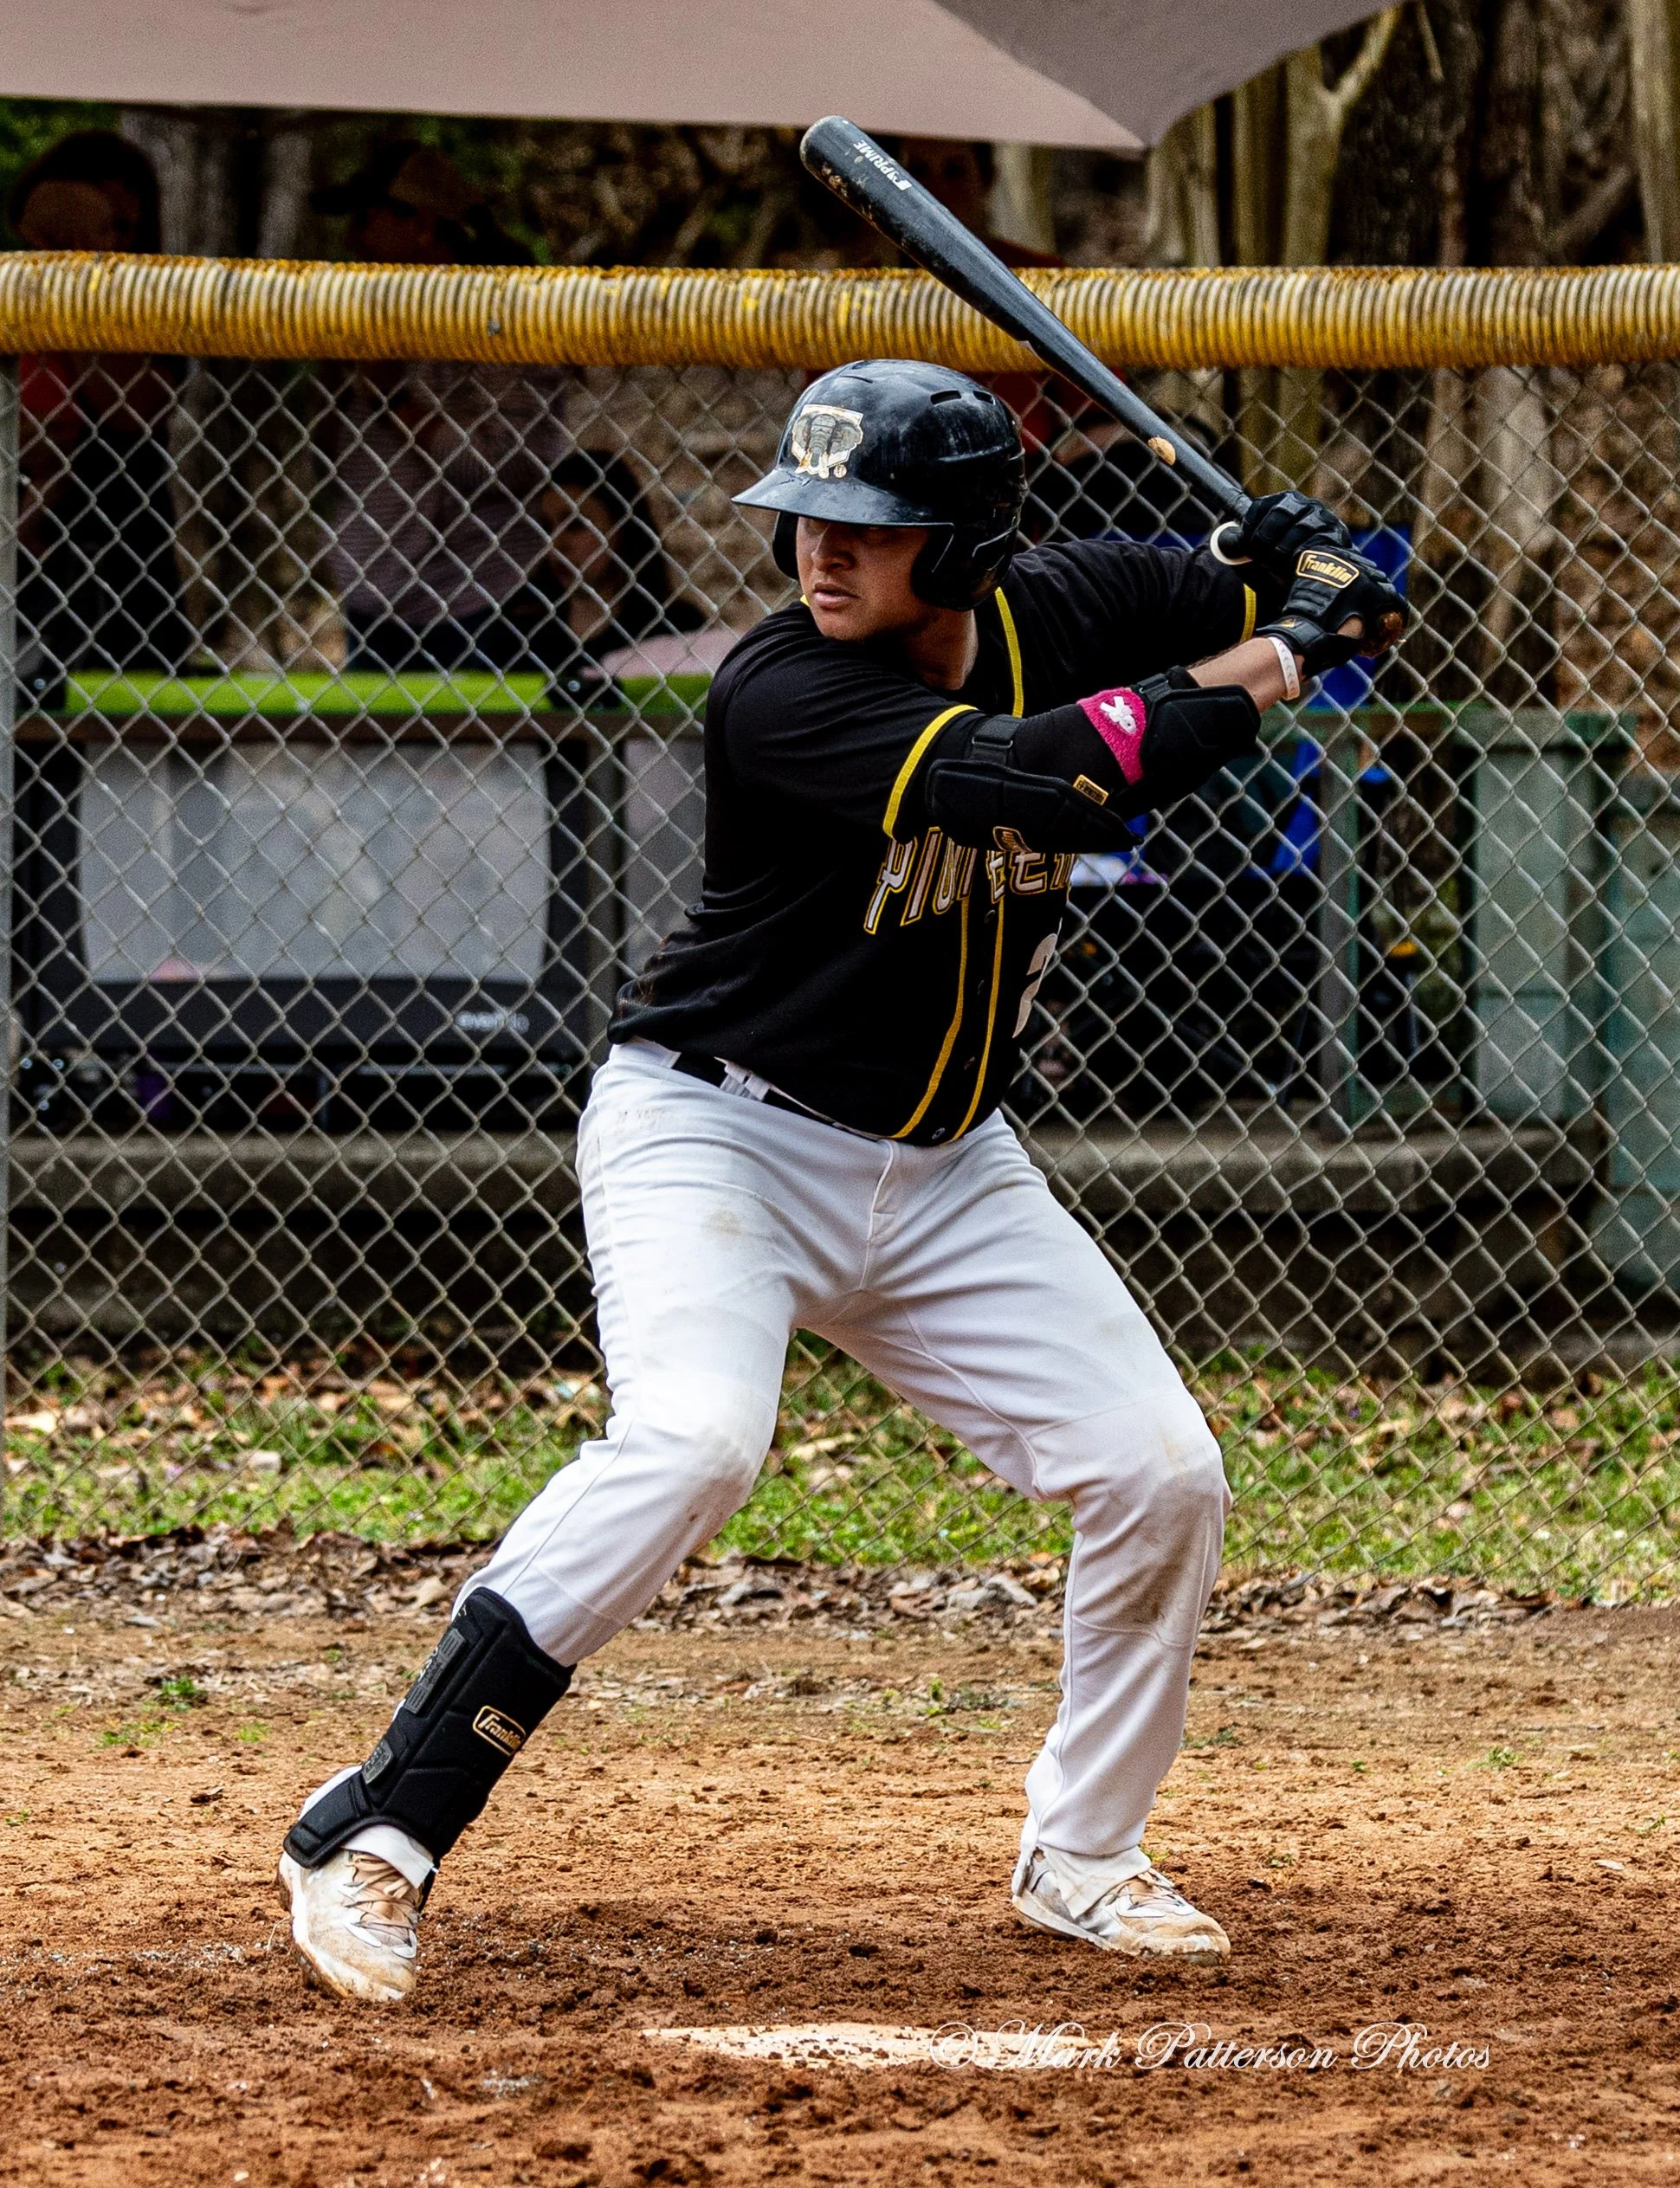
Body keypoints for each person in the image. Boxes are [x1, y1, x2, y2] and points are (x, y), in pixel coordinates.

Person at [275, 363, 1404, 2002]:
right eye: (807, 518)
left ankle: (1082, 1852)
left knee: (1160, 1471)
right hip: (718, 1131)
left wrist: (1299, 560)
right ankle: (376, 1825)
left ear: (967, 545)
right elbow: (1055, 781)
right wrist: (1294, 642)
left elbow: (1239, 575)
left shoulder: (1057, 597)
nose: (821, 551)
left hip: (946, 1171)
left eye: (869, 528)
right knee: (696, 1441)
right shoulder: (782, 689)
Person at [312, 142, 568, 675]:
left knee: (486, 758)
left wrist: (395, 399)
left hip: (478, 598)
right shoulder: (362, 315)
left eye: (366, 220)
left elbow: (510, 464)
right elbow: (331, 460)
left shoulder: (505, 321)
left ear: (423, 226)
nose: (352, 241)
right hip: (376, 602)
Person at [10, 131, 193, 702]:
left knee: (134, 729)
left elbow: (134, 411)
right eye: (104, 222)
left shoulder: (154, 307)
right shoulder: (10, 297)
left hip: (125, 561)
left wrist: (82, 300)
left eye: (124, 230)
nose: (115, 242)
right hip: (25, 568)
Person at [478, 453, 708, 700]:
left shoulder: (674, 626)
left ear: (621, 527)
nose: (557, 543)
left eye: (576, 524)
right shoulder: (516, 627)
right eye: (547, 528)